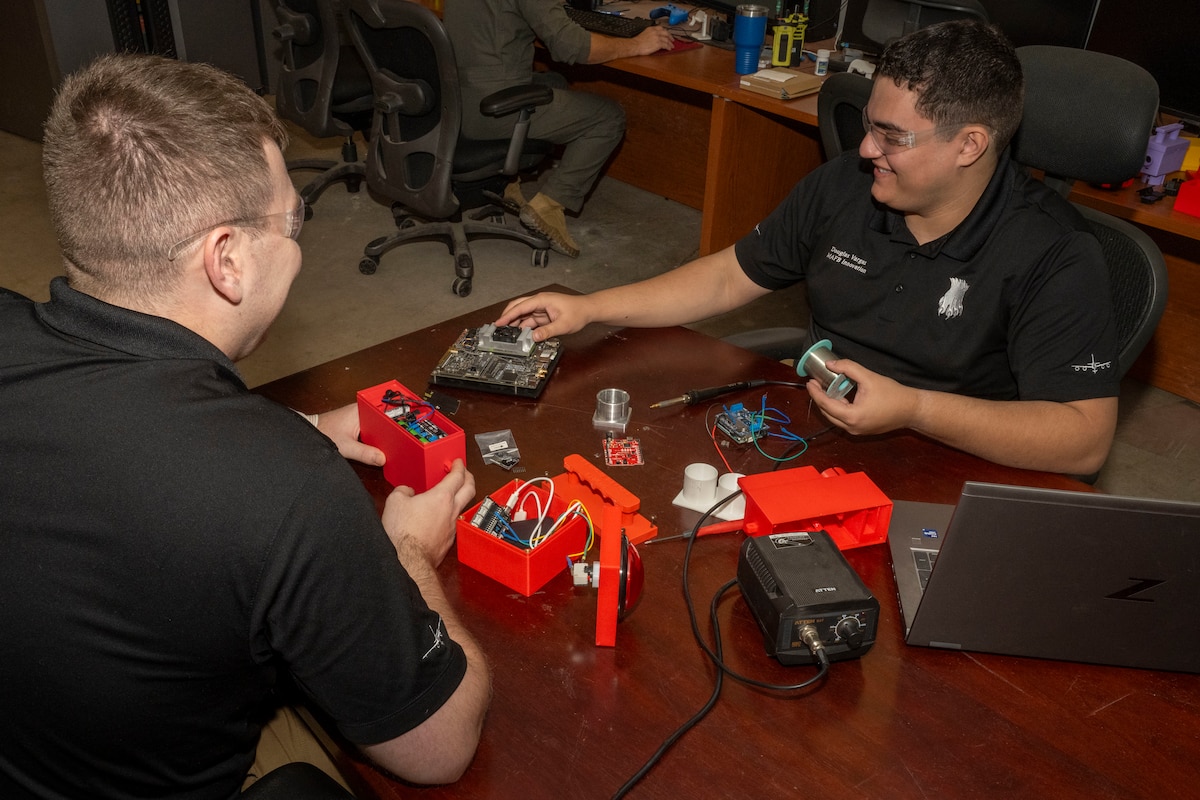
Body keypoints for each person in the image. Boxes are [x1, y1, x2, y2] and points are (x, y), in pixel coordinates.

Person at [0, 53, 489, 798]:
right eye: (292, 220)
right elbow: (440, 749)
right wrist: (409, 553)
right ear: (226, 260)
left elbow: (111, 426)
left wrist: (291, 425)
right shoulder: (288, 493)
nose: (296, 244)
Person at [495, 20, 1120, 477]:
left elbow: (1083, 440)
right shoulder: (848, 184)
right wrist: (590, 307)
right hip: (812, 435)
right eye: (870, 124)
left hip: (947, 467)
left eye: (891, 136)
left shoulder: (1058, 254)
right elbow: (727, 278)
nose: (867, 148)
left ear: (970, 144)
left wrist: (916, 410)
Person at [443, 0, 674, 258]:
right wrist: (636, 44)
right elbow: (571, 46)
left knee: (555, 82)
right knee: (609, 116)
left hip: (454, 102)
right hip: (491, 111)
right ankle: (550, 204)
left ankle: (507, 182)